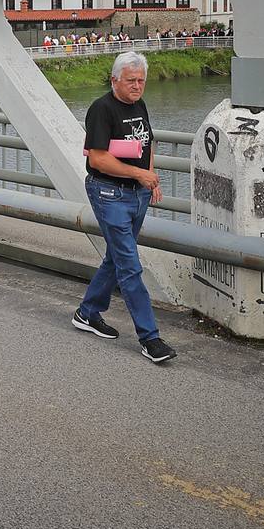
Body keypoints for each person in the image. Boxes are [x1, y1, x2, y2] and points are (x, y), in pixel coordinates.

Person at [71, 51, 176, 364]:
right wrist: (139, 174)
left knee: (116, 258)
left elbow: (146, 144)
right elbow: (97, 158)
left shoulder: (138, 105)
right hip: (108, 193)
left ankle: (87, 313)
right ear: (114, 79)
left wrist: (150, 180)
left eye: (141, 80)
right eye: (131, 80)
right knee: (130, 265)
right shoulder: (101, 110)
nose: (137, 86)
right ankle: (150, 338)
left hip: (136, 194)